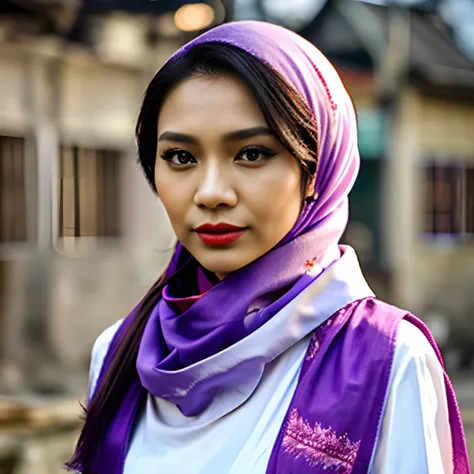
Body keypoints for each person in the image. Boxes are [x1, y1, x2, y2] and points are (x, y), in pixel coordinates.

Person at [66, 21, 470, 474]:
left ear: (316, 170)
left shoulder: (386, 361)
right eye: (181, 157)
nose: (211, 192)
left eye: (252, 153)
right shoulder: (122, 354)